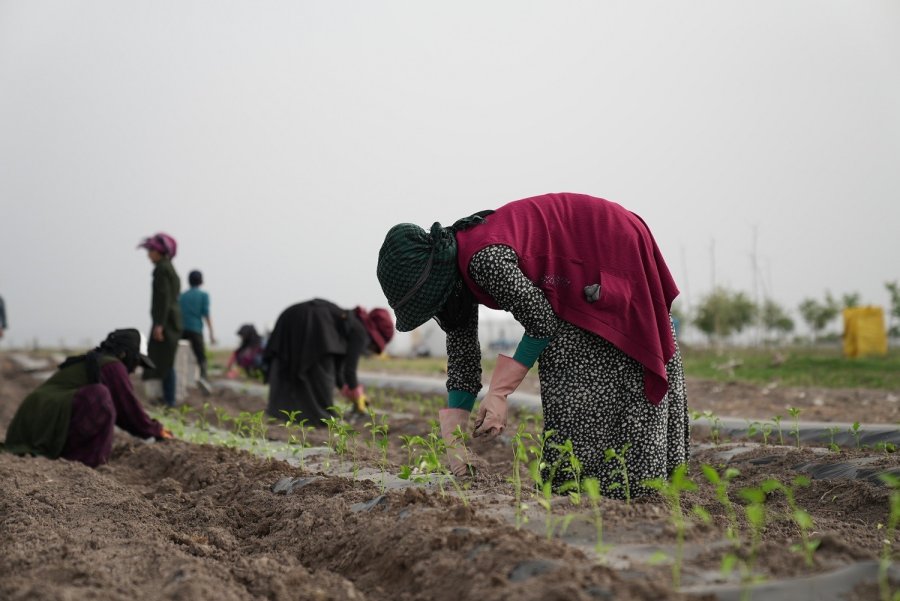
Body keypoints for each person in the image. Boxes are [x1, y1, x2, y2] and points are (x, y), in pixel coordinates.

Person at [377, 192, 689, 497]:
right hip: (589, 256)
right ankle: (588, 486)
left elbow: (541, 320)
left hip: (607, 245)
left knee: (578, 368)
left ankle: (614, 487)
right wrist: (454, 447)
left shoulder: (483, 260)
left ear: (432, 279)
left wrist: (499, 393)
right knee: (567, 360)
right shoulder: (455, 282)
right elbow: (463, 361)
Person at [2, 328, 173, 467]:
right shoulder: (113, 366)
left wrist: (151, 429)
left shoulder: (100, 361)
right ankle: (82, 460)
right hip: (41, 419)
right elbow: (129, 409)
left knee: (102, 397)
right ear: (125, 354)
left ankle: (78, 459)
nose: (135, 369)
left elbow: (124, 413)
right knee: (99, 396)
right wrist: (156, 430)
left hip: (32, 419)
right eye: (137, 362)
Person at [263, 299, 395, 423]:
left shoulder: (349, 323)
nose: (369, 349)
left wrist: (344, 387)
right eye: (373, 346)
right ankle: (320, 419)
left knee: (289, 367)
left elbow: (339, 368)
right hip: (312, 320)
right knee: (322, 377)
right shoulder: (360, 331)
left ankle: (279, 413)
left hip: (291, 316)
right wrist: (356, 393)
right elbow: (350, 370)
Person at [137, 232, 183, 407]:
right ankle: (167, 399)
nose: (149, 254)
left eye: (151, 250)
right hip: (171, 322)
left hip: (167, 323)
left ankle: (169, 401)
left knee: (164, 362)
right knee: (165, 361)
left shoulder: (162, 269)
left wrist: (159, 325)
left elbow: (163, 299)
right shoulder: (169, 268)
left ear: (160, 251)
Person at [179, 269, 216, 393]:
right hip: (195, 329)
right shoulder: (203, 295)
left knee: (181, 357)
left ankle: (180, 382)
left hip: (182, 329)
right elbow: (206, 314)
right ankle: (203, 379)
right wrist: (211, 333)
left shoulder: (182, 296)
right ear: (201, 281)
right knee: (201, 357)